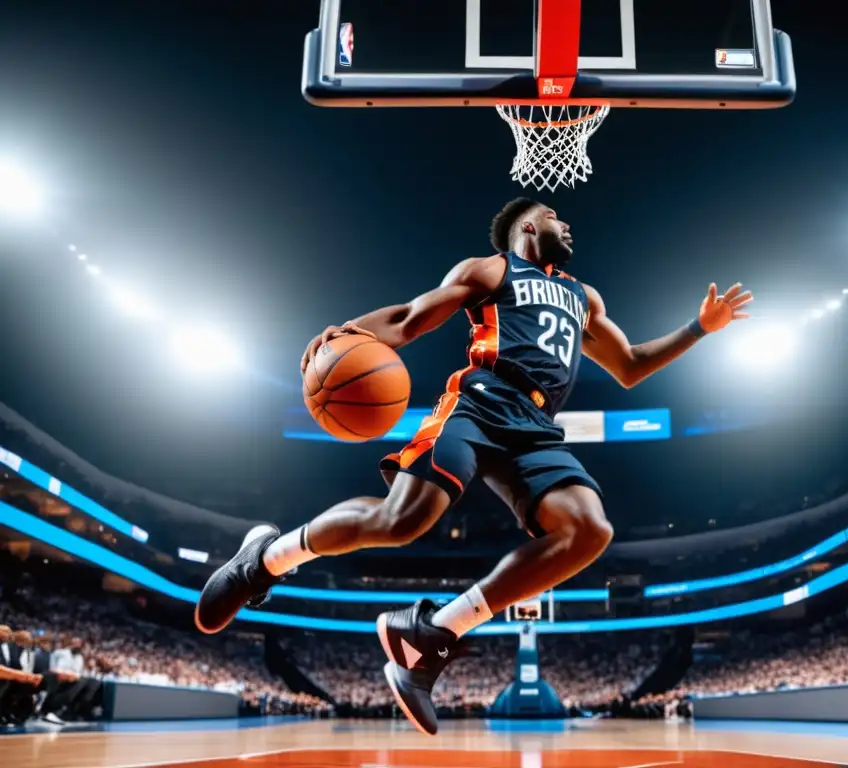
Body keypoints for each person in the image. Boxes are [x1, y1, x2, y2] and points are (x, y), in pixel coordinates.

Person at [194, 198, 752, 735]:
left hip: (536, 428)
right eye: (555, 217)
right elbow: (412, 318)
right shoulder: (491, 269)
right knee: (401, 522)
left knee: (589, 530)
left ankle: (432, 634)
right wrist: (352, 333)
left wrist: (699, 328)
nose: (568, 225)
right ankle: (264, 560)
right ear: (528, 228)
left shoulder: (585, 297)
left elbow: (630, 366)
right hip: (480, 401)